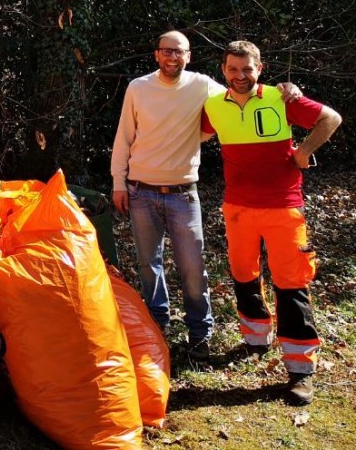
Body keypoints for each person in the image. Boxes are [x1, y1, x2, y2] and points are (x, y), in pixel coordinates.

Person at [110, 30, 299, 362]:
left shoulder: (203, 86)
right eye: (166, 51)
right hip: (141, 191)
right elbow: (124, 136)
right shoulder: (138, 88)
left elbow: (242, 94)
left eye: (179, 52)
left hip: (184, 194)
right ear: (157, 55)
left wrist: (285, 90)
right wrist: (119, 183)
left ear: (188, 56)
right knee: (148, 266)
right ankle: (156, 329)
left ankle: (200, 336)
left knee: (193, 269)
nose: (172, 57)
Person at [201, 40, 341, 405]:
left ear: (259, 69)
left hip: (283, 207)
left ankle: (300, 370)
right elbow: (190, 134)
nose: (240, 75)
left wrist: (304, 151)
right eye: (233, 69)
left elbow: (331, 118)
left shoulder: (281, 99)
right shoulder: (214, 105)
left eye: (247, 69)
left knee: (291, 283)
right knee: (243, 274)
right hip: (238, 208)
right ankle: (255, 341)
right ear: (223, 70)